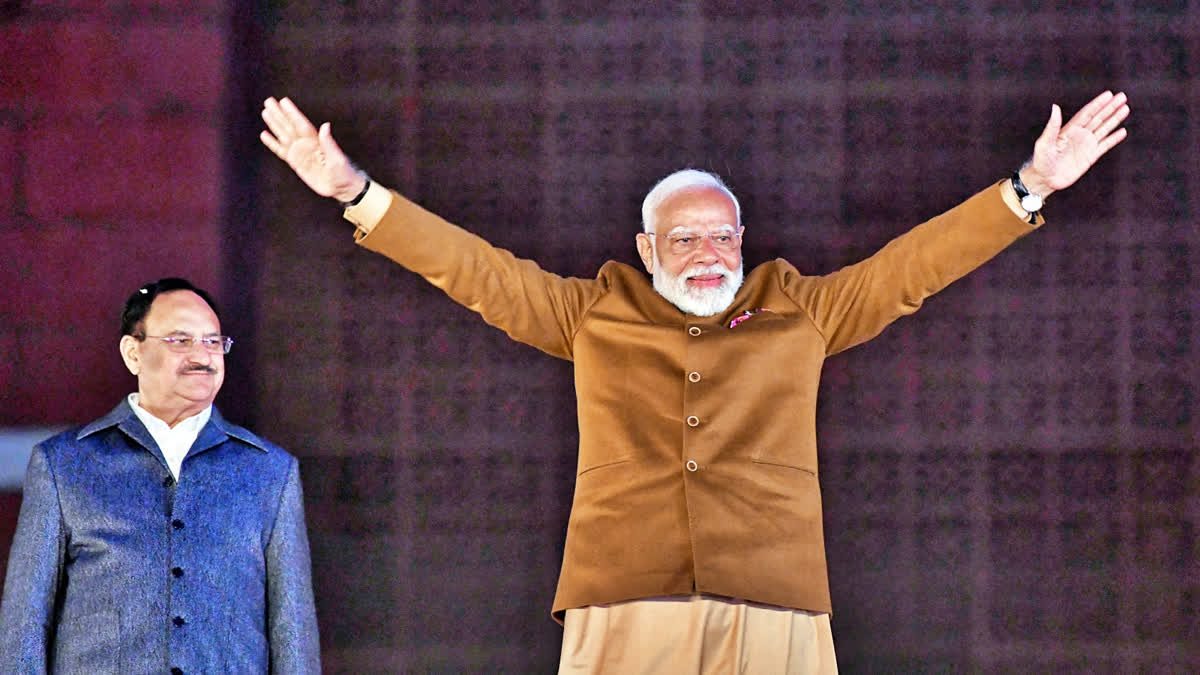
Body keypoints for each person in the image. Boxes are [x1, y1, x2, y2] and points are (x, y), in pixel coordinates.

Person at [260, 90, 1128, 673]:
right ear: (647, 249)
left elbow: (913, 268)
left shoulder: (801, 309)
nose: (709, 253)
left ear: (743, 237)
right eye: (685, 238)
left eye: (723, 236)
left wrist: (1028, 187)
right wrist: (356, 193)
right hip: (626, 590)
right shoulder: (593, 312)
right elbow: (475, 271)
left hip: (774, 593)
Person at [0, 278, 321, 674]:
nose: (202, 356)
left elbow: (292, 630)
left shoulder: (270, 471)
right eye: (180, 340)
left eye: (212, 341)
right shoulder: (64, 465)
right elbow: (26, 623)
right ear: (133, 353)